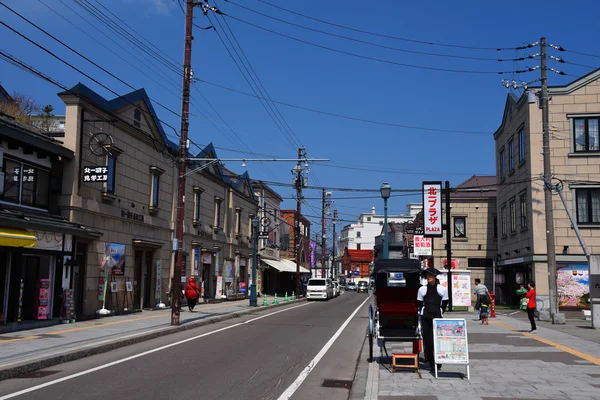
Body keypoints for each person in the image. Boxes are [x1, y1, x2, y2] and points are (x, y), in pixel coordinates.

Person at [417, 267, 449, 371]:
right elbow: (419, 303)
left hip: (437, 316)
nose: (428, 277)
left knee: (437, 339)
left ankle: (438, 361)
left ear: (435, 277)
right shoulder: (422, 289)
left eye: (430, 276)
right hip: (426, 316)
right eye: (427, 276)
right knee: (428, 340)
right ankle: (430, 360)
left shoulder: (442, 289)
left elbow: (444, 303)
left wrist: (440, 312)